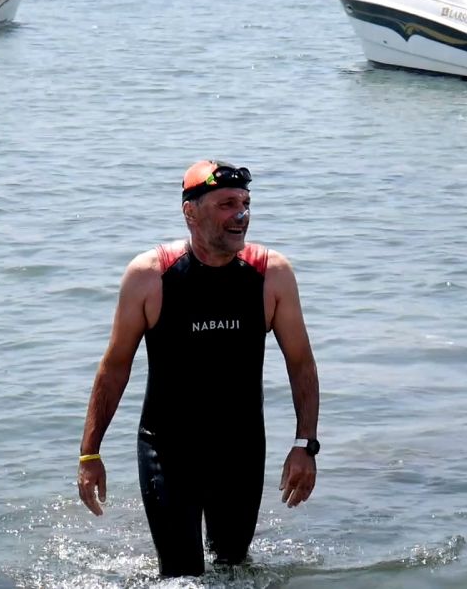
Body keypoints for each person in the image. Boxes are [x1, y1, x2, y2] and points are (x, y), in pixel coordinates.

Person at [76, 160, 321, 577]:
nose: (241, 214)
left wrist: (305, 445)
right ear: (190, 212)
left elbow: (301, 365)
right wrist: (90, 453)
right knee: (181, 577)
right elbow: (114, 368)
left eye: (245, 203)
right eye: (227, 205)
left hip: (241, 451)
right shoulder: (150, 276)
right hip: (167, 450)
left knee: (233, 569)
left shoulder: (271, 275)